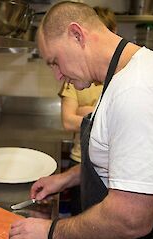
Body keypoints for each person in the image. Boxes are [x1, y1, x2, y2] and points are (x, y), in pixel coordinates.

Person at [9, 2, 153, 239]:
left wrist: (50, 232)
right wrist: (68, 177)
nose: (57, 75)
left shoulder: (140, 91)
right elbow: (125, 159)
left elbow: (130, 219)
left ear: (77, 35)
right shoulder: (122, 77)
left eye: (55, 62)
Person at [59, 6, 117, 216]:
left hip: (114, 166)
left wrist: (87, 111)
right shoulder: (74, 79)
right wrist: (102, 114)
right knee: (79, 215)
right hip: (80, 160)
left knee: (106, 222)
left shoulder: (119, 78)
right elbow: (67, 121)